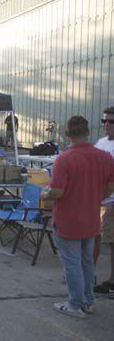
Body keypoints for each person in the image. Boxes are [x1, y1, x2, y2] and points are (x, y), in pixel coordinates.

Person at [42, 116, 114, 318]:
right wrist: (96, 198)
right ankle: (88, 301)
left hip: (68, 220)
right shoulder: (105, 157)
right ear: (88, 132)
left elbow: (57, 192)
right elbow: (110, 187)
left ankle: (75, 303)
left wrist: (44, 193)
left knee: (72, 263)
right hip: (91, 218)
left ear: (67, 134)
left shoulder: (64, 159)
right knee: (88, 262)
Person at [94, 106, 114, 295]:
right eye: (104, 121)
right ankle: (89, 275)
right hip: (98, 200)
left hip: (111, 201)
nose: (106, 124)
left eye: (111, 121)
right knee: (96, 239)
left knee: (111, 242)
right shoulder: (100, 143)